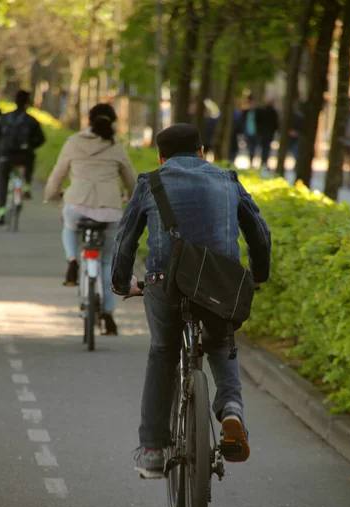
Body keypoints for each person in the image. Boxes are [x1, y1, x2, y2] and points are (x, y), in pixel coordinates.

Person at [111, 123, 271, 478]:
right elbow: (259, 232)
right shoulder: (227, 179)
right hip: (219, 283)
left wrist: (123, 283)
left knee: (163, 352)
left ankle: (152, 451)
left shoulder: (150, 181)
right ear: (202, 152)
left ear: (160, 156)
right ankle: (230, 407)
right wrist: (258, 275)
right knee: (221, 341)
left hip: (165, 284)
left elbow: (125, 240)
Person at [44, 103, 137, 336]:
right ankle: (108, 314)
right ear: (113, 122)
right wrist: (131, 197)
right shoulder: (116, 146)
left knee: (69, 225)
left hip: (77, 205)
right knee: (106, 262)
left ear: (88, 120)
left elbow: (58, 173)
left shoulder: (74, 142)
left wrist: (51, 195)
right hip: (110, 210)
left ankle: (72, 259)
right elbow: (131, 180)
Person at [0, 89, 45, 225]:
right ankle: (26, 186)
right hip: (23, 156)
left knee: (3, 181)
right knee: (30, 159)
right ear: (27, 103)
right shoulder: (31, 120)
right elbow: (41, 139)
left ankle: (1, 210)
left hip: (5, 155)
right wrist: (31, 146)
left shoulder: (4, 117)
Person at [256, 96, 279, 175]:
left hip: (265, 133)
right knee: (266, 148)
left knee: (265, 148)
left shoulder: (264, 111)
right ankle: (264, 162)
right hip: (267, 133)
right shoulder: (271, 111)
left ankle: (264, 162)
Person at [242, 95, 259, 168]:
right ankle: (250, 160)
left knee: (254, 147)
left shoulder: (258, 112)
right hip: (247, 132)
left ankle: (252, 160)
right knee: (249, 147)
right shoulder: (245, 112)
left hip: (255, 132)